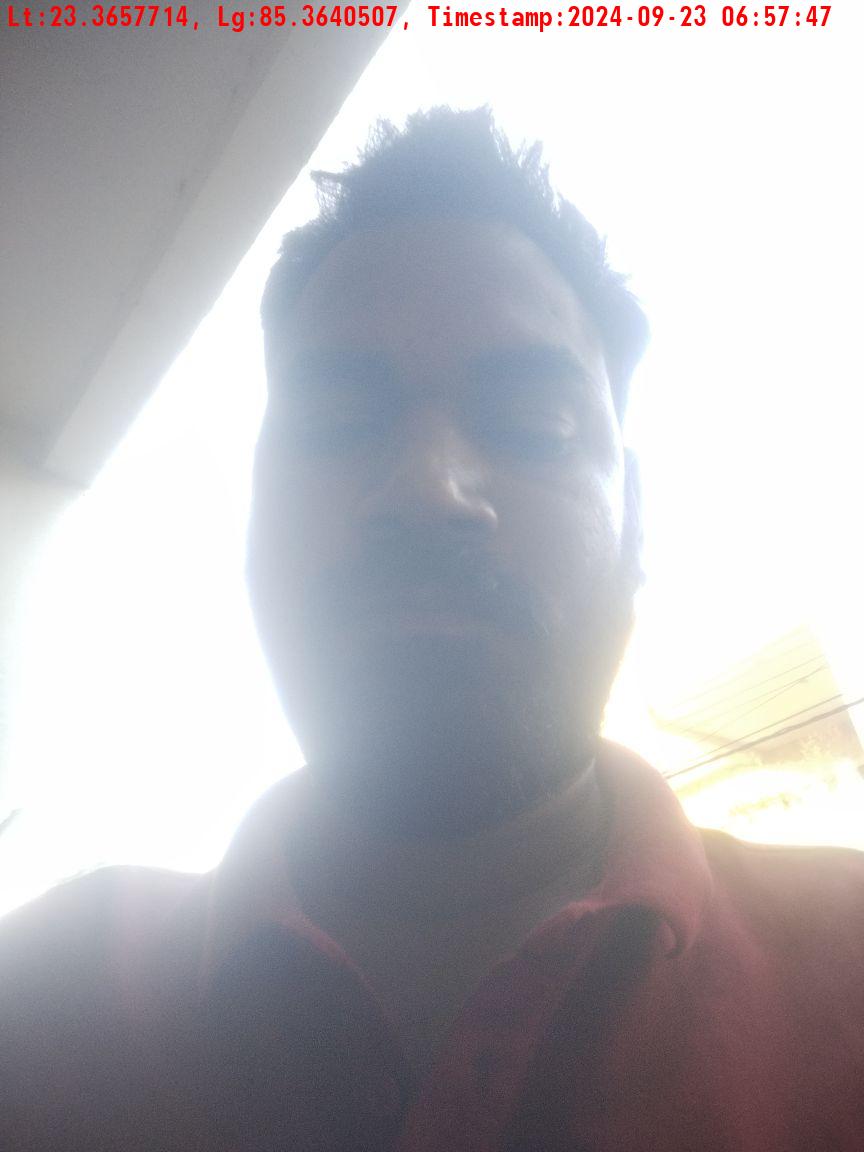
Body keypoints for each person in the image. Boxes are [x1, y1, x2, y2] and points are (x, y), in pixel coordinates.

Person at [2, 106, 863, 1152]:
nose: (427, 486)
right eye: (337, 423)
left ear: (637, 522)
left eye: (534, 424)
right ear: (251, 517)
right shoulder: (38, 1004)